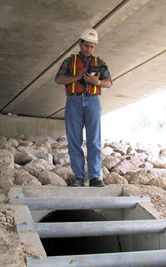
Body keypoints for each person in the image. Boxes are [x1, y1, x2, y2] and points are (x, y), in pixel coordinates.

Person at [55, 28, 112, 187]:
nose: (89, 49)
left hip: (93, 101)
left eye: (92, 47)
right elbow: (58, 79)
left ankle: (95, 177)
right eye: (86, 46)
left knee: (94, 140)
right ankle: (78, 176)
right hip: (73, 101)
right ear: (80, 44)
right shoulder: (69, 62)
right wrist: (77, 77)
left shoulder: (100, 63)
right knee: (74, 140)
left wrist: (97, 82)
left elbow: (109, 83)